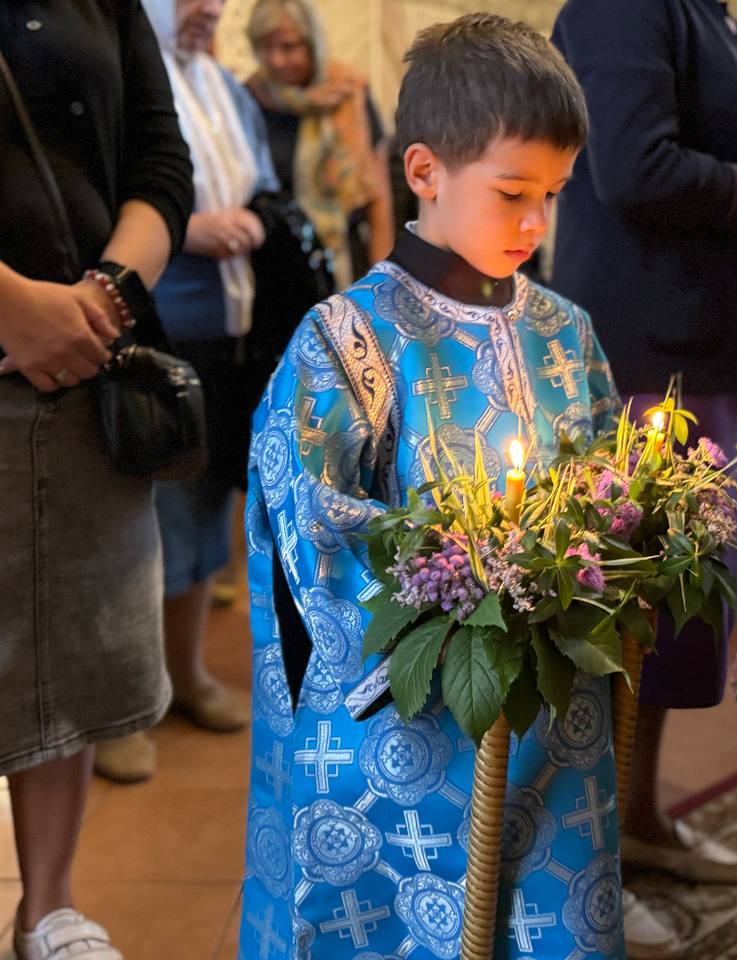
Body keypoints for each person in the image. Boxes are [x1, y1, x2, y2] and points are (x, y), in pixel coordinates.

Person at [239, 14, 624, 959]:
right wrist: (473, 573)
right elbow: (311, 521)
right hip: (406, 734)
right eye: (512, 193)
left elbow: (609, 479)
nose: (536, 224)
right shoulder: (349, 339)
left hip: (551, 715)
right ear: (424, 171)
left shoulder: (566, 330)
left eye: (554, 195)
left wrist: (635, 527)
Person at [550, 1, 737, 955]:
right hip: (649, 348)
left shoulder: (708, 13)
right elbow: (634, 169)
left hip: (704, 344)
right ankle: (585, 867)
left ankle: (638, 819)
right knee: (622, 613)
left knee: (677, 612)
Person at [0, 3, 193, 956]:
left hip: (85, 368)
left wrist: (104, 298)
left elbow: (160, 164)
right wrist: (9, 306)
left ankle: (47, 909)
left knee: (67, 648)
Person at [93, 0, 280, 785]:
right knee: (143, 523)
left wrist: (253, 219)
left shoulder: (226, 86)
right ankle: (120, 708)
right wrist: (188, 229)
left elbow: (264, 179)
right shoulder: (126, 73)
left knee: (205, 510)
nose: (209, 8)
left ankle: (187, 671)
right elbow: (111, 190)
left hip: (229, 330)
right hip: (157, 325)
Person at [244, 0, 394, 287]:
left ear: (313, 43)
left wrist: (381, 285)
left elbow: (378, 198)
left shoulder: (350, 94)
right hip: (274, 272)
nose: (277, 60)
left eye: (288, 47)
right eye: (265, 48)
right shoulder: (251, 98)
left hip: (344, 260)